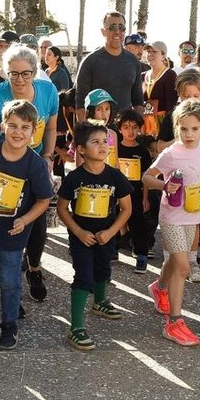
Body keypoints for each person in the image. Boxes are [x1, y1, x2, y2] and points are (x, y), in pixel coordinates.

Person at [0, 45, 59, 302]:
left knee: (36, 221)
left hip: (35, 162)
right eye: (13, 74)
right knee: (7, 221)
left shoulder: (48, 91)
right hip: (3, 167)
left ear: (35, 72)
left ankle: (35, 268)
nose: (19, 79)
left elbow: (51, 127)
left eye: (26, 74)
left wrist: (48, 157)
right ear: (5, 73)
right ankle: (6, 273)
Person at [0, 100, 54, 350]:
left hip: (13, 236)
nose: (18, 132)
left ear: (34, 131)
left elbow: (44, 199)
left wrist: (26, 220)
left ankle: (9, 324)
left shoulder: (34, 164)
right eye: (13, 125)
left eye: (25, 127)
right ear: (2, 126)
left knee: (9, 281)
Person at [142, 99, 200, 346]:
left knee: (175, 262)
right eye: (183, 129)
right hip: (172, 217)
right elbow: (147, 178)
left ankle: (159, 287)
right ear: (177, 128)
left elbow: (197, 172)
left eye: (194, 129)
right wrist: (164, 185)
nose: (189, 134)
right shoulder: (169, 154)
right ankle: (174, 322)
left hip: (194, 214)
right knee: (183, 267)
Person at [57, 120, 133, 351]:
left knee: (103, 270)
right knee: (83, 276)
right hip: (81, 238)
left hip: (106, 236)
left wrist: (111, 232)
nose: (103, 146)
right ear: (81, 149)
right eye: (95, 142)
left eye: (105, 142)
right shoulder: (74, 178)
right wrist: (78, 231)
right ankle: (76, 327)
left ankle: (100, 302)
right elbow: (62, 208)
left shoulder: (116, 177)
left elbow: (127, 208)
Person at [74, 12, 144, 117]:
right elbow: (80, 102)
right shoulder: (90, 61)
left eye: (121, 27)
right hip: (97, 129)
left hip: (124, 130)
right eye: (112, 27)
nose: (117, 32)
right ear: (103, 31)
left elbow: (138, 101)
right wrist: (84, 131)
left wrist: (138, 127)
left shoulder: (133, 62)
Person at [117, 109, 155, 273]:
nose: (130, 131)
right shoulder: (115, 149)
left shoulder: (142, 152)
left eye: (134, 127)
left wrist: (145, 198)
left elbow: (145, 177)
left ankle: (141, 255)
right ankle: (111, 252)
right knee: (112, 220)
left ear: (140, 128)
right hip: (117, 193)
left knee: (138, 223)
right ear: (120, 129)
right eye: (126, 127)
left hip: (136, 193)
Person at [143, 40, 177, 130]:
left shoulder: (170, 75)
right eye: (148, 51)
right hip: (144, 123)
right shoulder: (142, 76)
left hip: (162, 123)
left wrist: (166, 128)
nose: (150, 54)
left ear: (163, 55)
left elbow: (171, 106)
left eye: (154, 51)